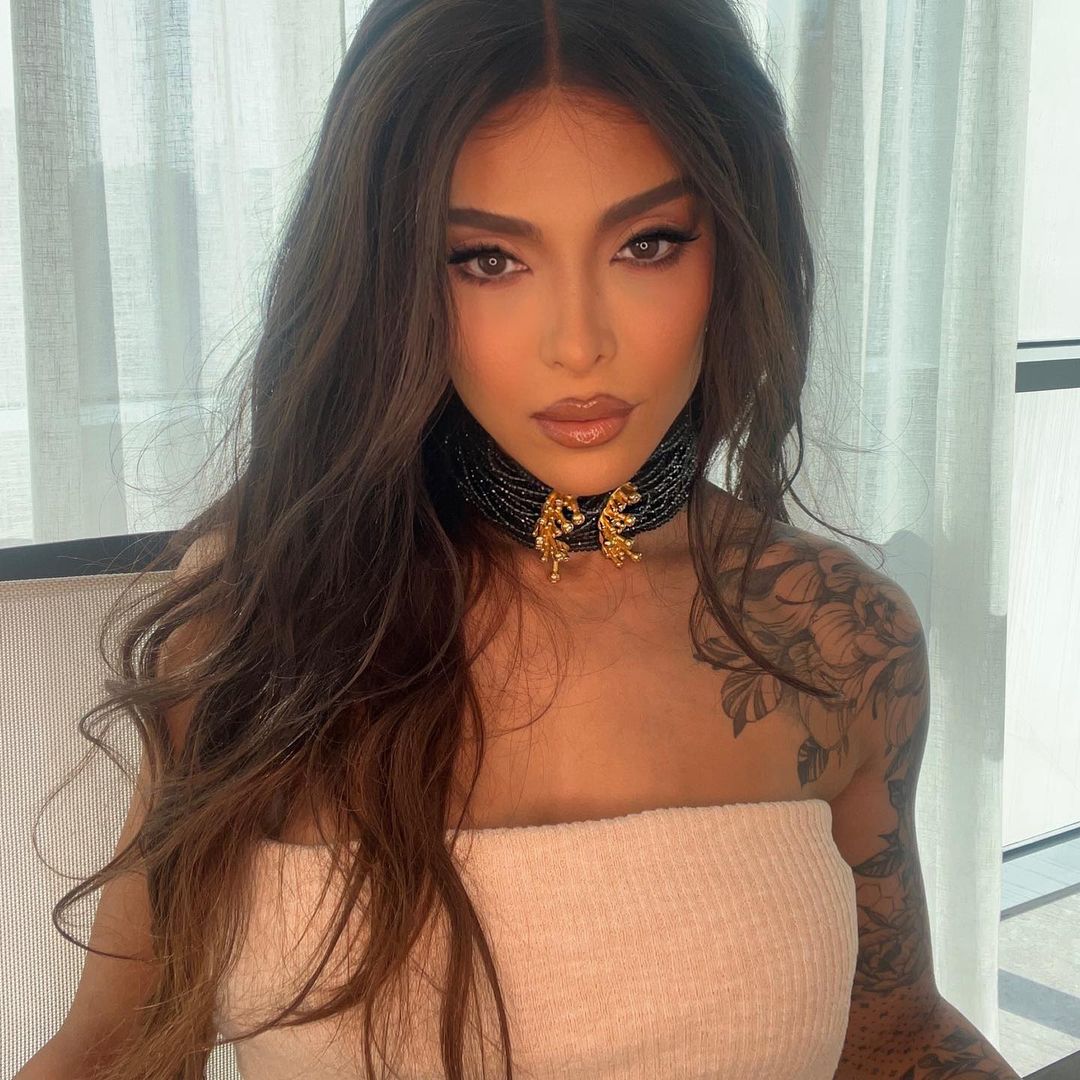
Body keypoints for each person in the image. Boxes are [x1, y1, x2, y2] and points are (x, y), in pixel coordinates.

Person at [25, 1, 1019, 1078]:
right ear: (392, 276)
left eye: (648, 243)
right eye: (488, 259)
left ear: (736, 246)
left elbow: (896, 1037)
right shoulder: (262, 614)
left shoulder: (839, 635)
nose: (579, 343)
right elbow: (117, 1049)